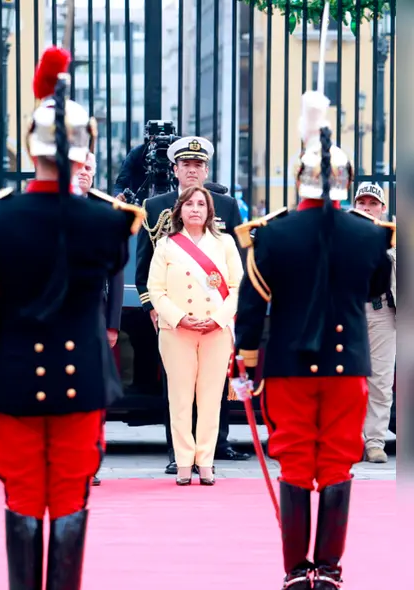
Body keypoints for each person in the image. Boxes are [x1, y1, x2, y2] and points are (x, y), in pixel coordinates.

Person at [0, 46, 144, 590]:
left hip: (13, 385)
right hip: (80, 383)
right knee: (69, 495)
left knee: (21, 497)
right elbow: (105, 265)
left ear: (30, 148)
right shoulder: (109, 224)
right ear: (84, 150)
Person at [232, 89, 393, 590]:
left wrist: (247, 361)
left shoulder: (271, 234)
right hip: (348, 366)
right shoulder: (371, 234)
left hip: (287, 366)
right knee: (339, 462)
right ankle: (330, 572)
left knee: (297, 462)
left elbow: (253, 304)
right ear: (346, 183)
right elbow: (373, 287)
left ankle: (296, 572)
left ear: (297, 179)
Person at [135, 135, 250, 475]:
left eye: (198, 165)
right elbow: (145, 269)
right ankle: (178, 454)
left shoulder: (226, 207)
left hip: (216, 314)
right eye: (185, 165)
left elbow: (237, 268)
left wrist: (227, 315)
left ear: (206, 169)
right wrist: (154, 309)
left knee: (216, 387)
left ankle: (215, 448)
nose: (192, 171)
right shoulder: (156, 207)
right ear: (175, 169)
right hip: (173, 315)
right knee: (178, 389)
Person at [147, 186, 243, 485]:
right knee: (180, 399)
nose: (195, 209)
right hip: (177, 332)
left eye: (201, 204)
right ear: (179, 210)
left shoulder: (224, 242)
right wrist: (179, 318)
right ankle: (184, 462)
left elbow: (238, 287)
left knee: (211, 400)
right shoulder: (166, 245)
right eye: (189, 204)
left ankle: (206, 462)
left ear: (209, 210)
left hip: (216, 331)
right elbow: (156, 290)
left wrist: (217, 319)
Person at [75, 153, 123, 488]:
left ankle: (90, 460)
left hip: (93, 317)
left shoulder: (105, 212)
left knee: (93, 394)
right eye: (80, 168)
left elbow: (116, 274)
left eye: (90, 169)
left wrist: (112, 323)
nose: (85, 174)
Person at [351, 182, 396, 464]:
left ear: (382, 208)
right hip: (349, 312)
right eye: (362, 203)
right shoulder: (342, 234)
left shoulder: (391, 236)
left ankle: (375, 441)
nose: (367, 208)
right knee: (349, 379)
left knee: (380, 380)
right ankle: (351, 438)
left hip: (382, 311)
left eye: (373, 204)